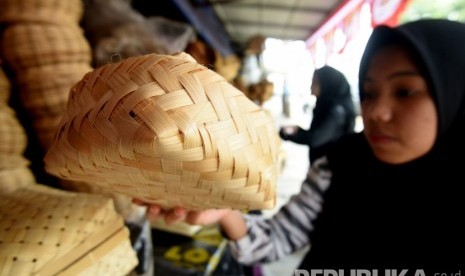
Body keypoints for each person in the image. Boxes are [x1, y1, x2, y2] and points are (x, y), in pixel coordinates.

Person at [136, 19, 465, 270]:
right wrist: (225, 213)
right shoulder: (338, 165)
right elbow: (278, 238)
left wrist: (291, 135)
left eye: (404, 91)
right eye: (369, 92)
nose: (376, 112)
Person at [279, 66, 356, 164]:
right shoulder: (327, 106)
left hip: (328, 171)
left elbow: (316, 138)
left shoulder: (336, 111)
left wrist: (290, 134)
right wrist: (297, 130)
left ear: (327, 84)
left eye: (314, 83)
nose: (311, 87)